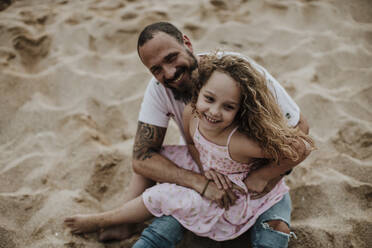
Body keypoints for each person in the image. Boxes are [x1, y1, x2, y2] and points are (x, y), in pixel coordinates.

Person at [66, 22, 310, 247]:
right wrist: (202, 178)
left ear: (187, 43)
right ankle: (126, 220)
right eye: (157, 69)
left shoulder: (236, 75)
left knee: (270, 226)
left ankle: (123, 219)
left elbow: (301, 133)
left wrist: (265, 174)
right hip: (210, 168)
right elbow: (143, 156)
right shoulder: (181, 106)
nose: (169, 73)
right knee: (165, 183)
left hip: (252, 174)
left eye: (172, 58)